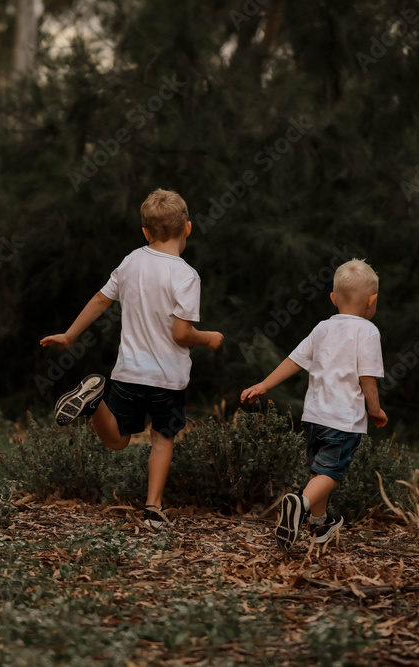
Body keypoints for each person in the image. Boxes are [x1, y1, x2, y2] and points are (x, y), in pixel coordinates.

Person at [40, 189, 224, 529]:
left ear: (145, 232)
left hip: (128, 373)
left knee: (118, 440)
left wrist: (69, 334)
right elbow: (182, 334)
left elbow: (100, 298)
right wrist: (208, 338)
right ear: (188, 228)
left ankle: (95, 404)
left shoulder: (131, 262)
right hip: (167, 378)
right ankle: (153, 507)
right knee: (162, 438)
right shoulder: (185, 275)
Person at [240, 259, 387, 551]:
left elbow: (294, 361)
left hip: (314, 417)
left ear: (333, 298)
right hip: (343, 420)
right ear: (373, 300)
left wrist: (264, 385)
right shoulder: (368, 332)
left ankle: (320, 525)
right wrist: (375, 409)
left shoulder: (322, 328)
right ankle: (302, 503)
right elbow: (367, 378)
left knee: (319, 472)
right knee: (331, 474)